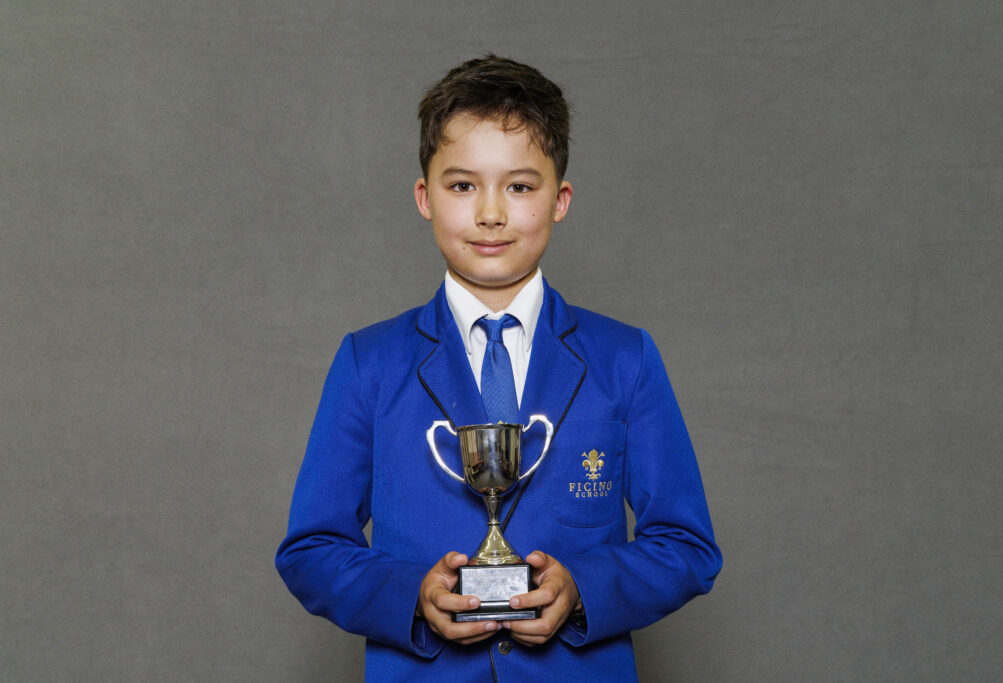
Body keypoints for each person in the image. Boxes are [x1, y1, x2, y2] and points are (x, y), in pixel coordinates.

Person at [276, 55, 722, 681]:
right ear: (423, 197)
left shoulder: (625, 358)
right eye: (462, 185)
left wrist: (583, 588)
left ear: (560, 199)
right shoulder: (368, 362)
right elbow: (311, 550)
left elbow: (687, 546)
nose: (490, 212)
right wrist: (411, 594)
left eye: (520, 186)